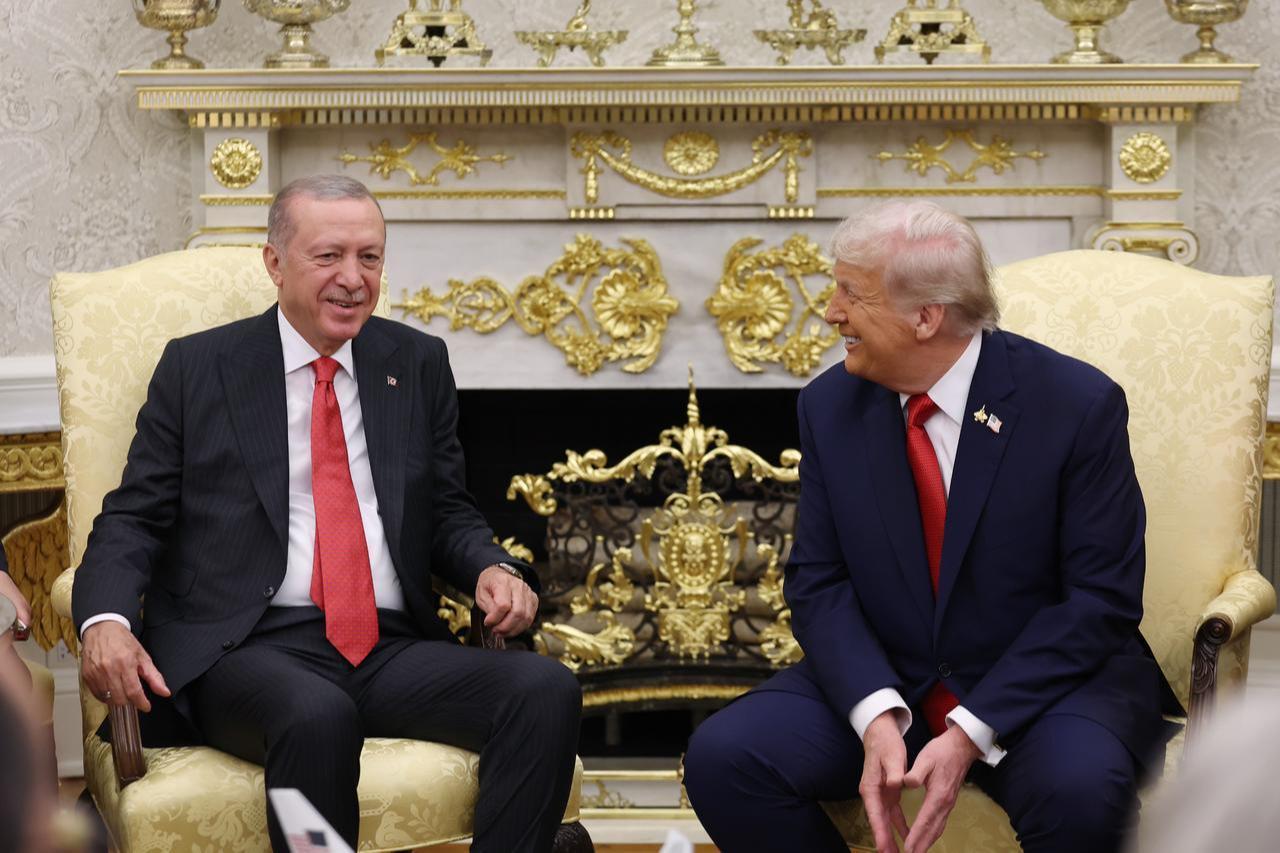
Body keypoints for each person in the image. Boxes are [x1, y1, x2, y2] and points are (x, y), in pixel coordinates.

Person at [72, 175, 582, 853]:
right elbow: (132, 516)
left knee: (544, 687)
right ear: (275, 263)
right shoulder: (199, 368)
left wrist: (491, 565)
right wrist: (104, 619)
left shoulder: (416, 361)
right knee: (317, 713)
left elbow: (448, 511)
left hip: (387, 645)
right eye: (329, 256)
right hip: (247, 648)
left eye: (369, 257)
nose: (353, 278)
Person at [684, 201, 1178, 853]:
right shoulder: (830, 406)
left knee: (1081, 789)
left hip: (1043, 690)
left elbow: (1099, 599)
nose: (831, 312)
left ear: (926, 316)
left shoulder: (1075, 406)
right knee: (726, 757)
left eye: (850, 294)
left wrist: (973, 726)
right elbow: (817, 580)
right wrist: (874, 711)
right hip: (890, 677)